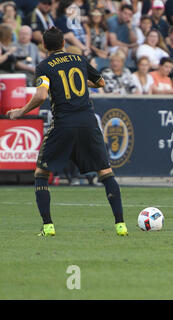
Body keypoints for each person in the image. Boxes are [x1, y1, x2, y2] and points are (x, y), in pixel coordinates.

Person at [6, 26, 129, 237]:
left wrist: (20, 111)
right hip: (89, 122)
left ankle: (48, 227)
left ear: (44, 46)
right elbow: (100, 82)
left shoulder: (44, 66)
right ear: (63, 43)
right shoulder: (79, 60)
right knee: (106, 173)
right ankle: (120, 225)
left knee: (41, 173)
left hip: (64, 123)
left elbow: (41, 95)